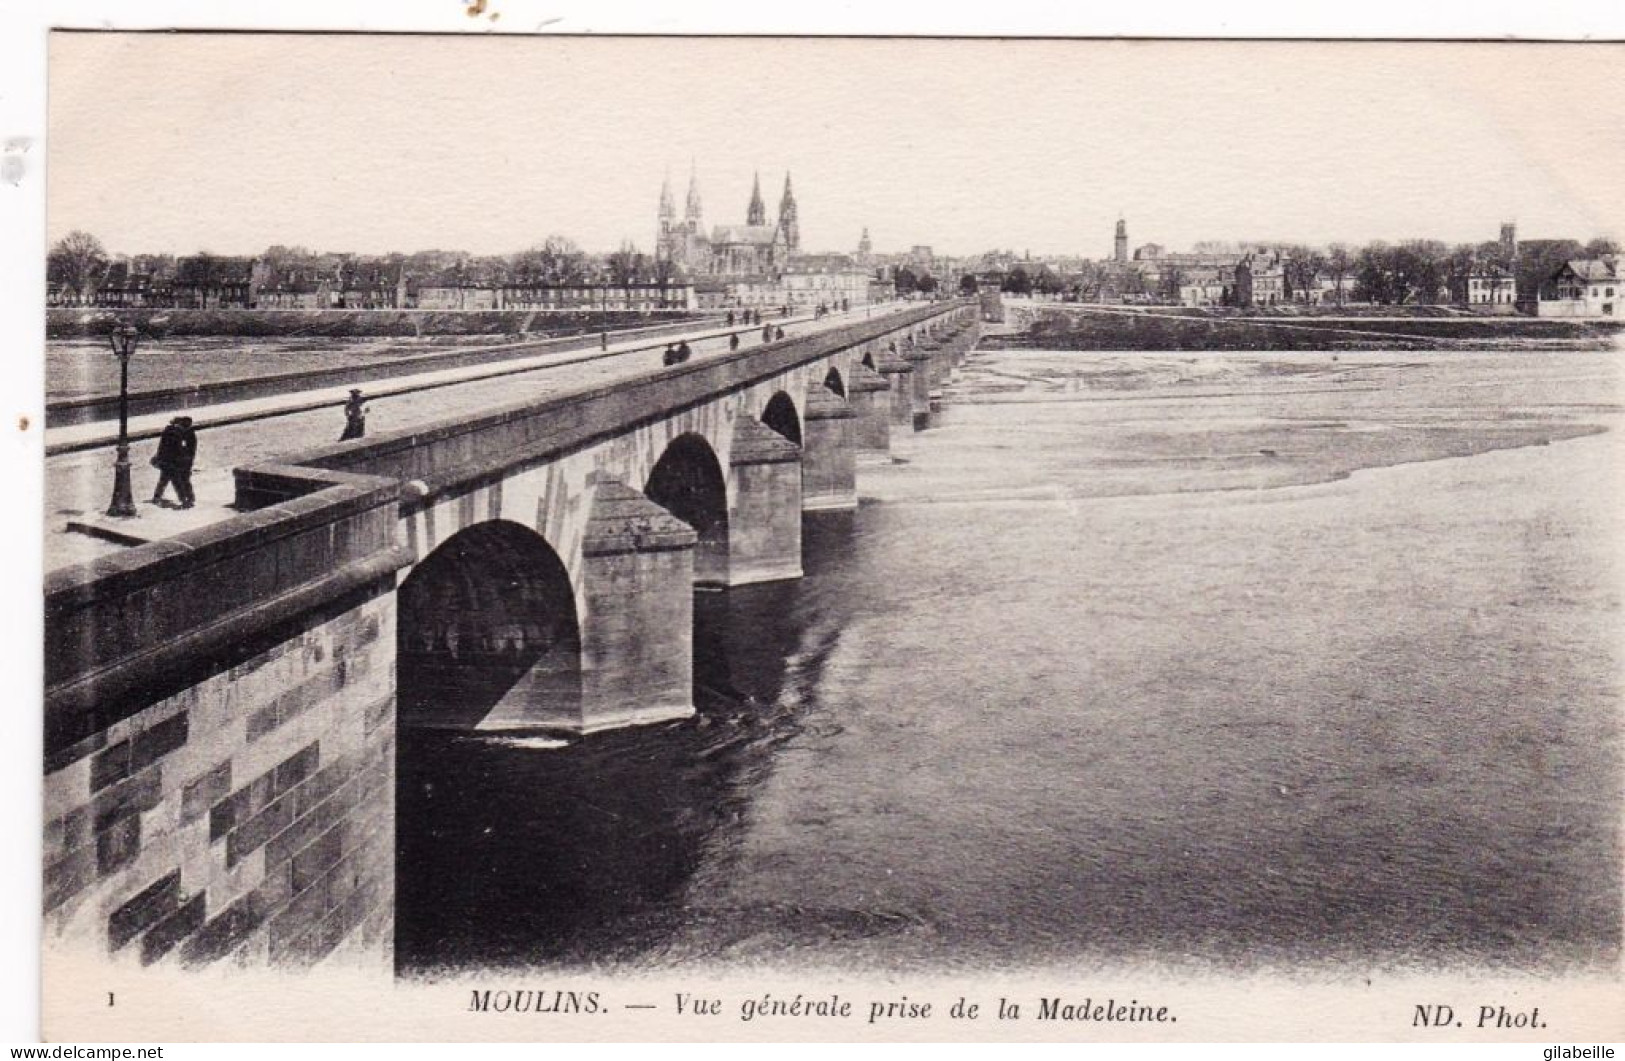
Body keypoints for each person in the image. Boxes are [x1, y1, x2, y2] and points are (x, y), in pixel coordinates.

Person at [149, 415, 197, 509]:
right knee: (177, 481)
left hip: (174, 462)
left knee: (165, 480)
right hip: (172, 462)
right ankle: (185, 499)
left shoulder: (183, 433)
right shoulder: (174, 433)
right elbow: (169, 448)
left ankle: (157, 497)